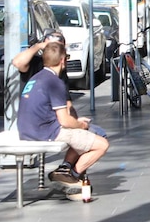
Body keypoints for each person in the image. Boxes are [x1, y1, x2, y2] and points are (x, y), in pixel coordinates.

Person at [17, 40, 109, 193]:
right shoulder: (55, 82)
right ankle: (71, 176)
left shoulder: (36, 78)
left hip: (27, 130)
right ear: (62, 60)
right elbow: (64, 120)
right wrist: (81, 125)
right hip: (45, 132)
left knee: (85, 132)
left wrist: (76, 123)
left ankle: (65, 169)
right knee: (101, 143)